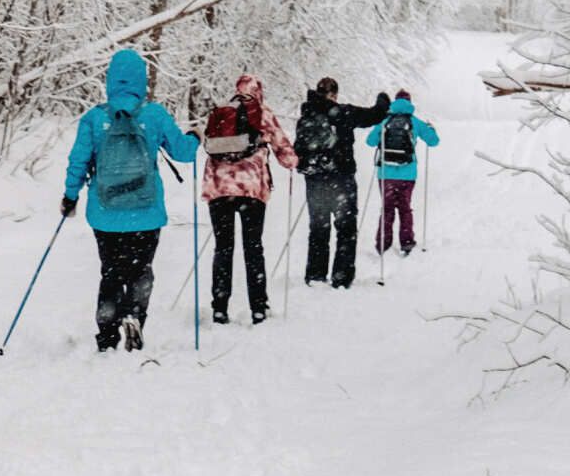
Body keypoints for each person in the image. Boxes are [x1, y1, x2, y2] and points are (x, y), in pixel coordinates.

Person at [62, 48, 198, 352]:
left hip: (105, 214)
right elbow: (184, 152)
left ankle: (107, 333)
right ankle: (135, 314)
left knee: (110, 271)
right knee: (141, 270)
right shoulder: (154, 115)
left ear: (110, 80)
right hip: (146, 213)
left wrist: (70, 197)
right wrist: (196, 137)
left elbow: (78, 162)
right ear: (142, 80)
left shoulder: (95, 119)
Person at [201, 75, 299, 324]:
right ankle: (258, 306)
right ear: (259, 92)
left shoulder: (222, 111)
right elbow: (284, 150)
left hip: (219, 189)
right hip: (251, 191)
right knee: (253, 247)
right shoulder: (262, 114)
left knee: (223, 247)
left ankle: (220, 308)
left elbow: (208, 143)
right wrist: (292, 161)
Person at [294, 77, 389, 289]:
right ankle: (341, 276)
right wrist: (383, 100)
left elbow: (298, 149)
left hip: (315, 179)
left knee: (319, 228)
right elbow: (375, 114)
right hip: (341, 179)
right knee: (346, 229)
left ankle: (316, 275)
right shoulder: (344, 112)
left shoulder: (306, 116)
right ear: (334, 94)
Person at [366, 89, 440, 256]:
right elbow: (434, 142)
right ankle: (406, 242)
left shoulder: (385, 122)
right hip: (407, 174)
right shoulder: (415, 122)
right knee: (405, 208)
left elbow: (370, 141)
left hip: (386, 174)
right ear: (409, 102)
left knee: (387, 209)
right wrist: (431, 129)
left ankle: (383, 243)